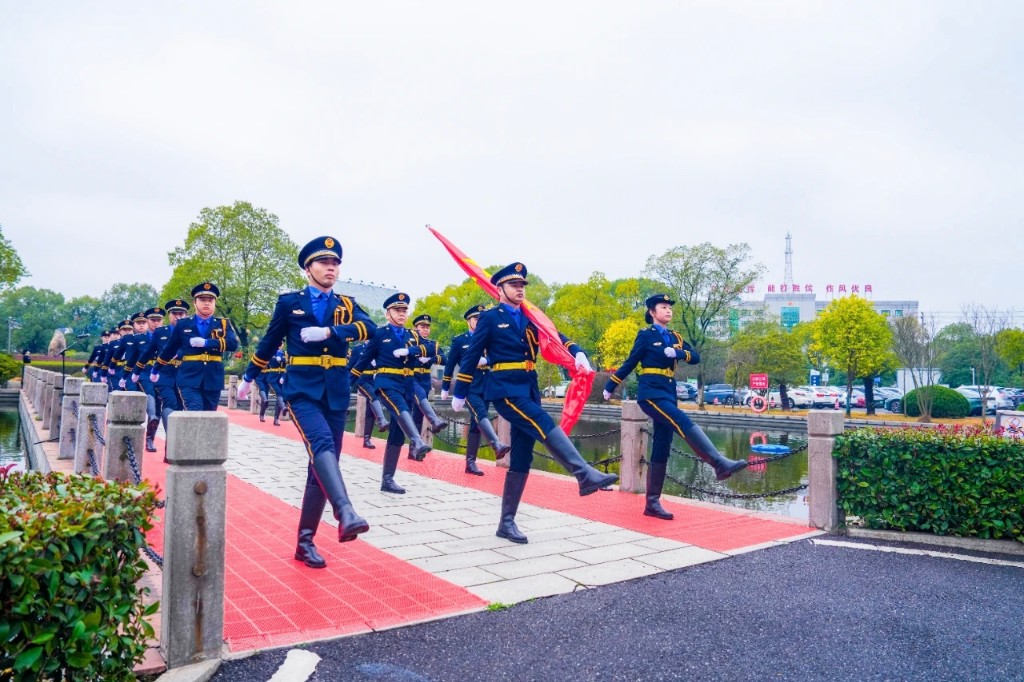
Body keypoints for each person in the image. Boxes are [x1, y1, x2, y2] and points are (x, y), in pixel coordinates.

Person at [451, 263, 618, 544]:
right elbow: (471, 355)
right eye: (514, 284)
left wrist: (577, 351)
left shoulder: (530, 317)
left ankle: (506, 522)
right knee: (542, 421)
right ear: (500, 289)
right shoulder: (490, 319)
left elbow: (556, 335)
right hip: (504, 388)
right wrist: (459, 390)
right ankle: (583, 473)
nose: (520, 289)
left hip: (528, 386)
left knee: (523, 455)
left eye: (522, 285)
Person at [236, 236, 375, 568]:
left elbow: (369, 329)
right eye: (324, 262)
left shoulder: (346, 304)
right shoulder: (290, 303)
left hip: (337, 392)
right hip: (301, 391)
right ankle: (346, 512)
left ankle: (305, 542)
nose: (331, 268)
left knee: (321, 467)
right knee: (322, 443)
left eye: (335, 263)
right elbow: (269, 341)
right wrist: (249, 376)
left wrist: (331, 333)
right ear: (307, 268)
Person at [602, 294, 747, 520]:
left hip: (668, 392)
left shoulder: (675, 336)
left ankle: (652, 503)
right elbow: (630, 362)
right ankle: (718, 463)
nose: (668, 310)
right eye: (663, 307)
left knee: (662, 445)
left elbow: (695, 357)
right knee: (681, 420)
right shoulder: (646, 336)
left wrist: (678, 353)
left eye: (670, 307)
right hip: (650, 393)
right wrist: (611, 384)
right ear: (652, 312)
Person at [350, 292, 433, 496]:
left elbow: (430, 348)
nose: (402, 314)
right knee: (400, 408)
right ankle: (417, 440)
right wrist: (345, 385)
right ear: (388, 314)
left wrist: (413, 353)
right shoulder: (380, 334)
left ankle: (388, 479)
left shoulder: (412, 336)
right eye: (397, 310)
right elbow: (361, 362)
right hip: (386, 383)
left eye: (405, 310)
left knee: (396, 432)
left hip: (406, 383)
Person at [441, 304, 510, 475]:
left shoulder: (489, 337)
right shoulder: (460, 341)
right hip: (468, 385)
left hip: (486, 384)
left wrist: (487, 360)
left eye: (480, 318)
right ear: (468, 321)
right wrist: (445, 387)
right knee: (480, 414)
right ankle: (496, 443)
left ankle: (470, 463)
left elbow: (500, 355)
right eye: (475, 319)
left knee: (475, 424)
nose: (478, 322)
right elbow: (449, 365)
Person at [153, 283, 239, 411]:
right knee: (195, 409)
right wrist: (156, 369)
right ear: (194, 302)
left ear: (215, 303)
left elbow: (233, 344)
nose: (206, 303)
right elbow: (169, 349)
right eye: (202, 300)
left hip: (213, 377)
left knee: (209, 416)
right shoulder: (183, 324)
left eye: (210, 300)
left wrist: (206, 343)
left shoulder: (223, 323)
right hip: (189, 377)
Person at [134, 299, 189, 440]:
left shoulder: (190, 330)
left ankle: (174, 444)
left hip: (183, 373)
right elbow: (147, 352)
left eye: (181, 314)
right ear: (169, 316)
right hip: (163, 374)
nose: (178, 317)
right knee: (170, 402)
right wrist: (136, 370)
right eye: (175, 313)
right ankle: (169, 438)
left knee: (180, 407)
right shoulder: (160, 333)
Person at [409, 313, 448, 437]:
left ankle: (415, 447)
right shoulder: (410, 341)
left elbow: (444, 359)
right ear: (416, 328)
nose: (425, 329)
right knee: (419, 398)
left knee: (418, 415)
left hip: (425, 379)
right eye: (422, 327)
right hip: (411, 376)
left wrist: (430, 359)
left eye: (427, 327)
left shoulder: (433, 344)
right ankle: (434, 421)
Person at [349, 342, 389, 447]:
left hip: (374, 379)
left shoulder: (379, 347)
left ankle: (367, 439)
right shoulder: (358, 349)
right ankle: (381, 420)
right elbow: (350, 365)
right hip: (361, 379)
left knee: (371, 410)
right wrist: (348, 383)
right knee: (373, 396)